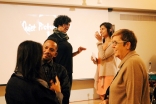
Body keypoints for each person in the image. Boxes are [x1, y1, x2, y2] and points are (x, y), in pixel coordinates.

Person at [106, 29, 150, 104]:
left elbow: (133, 100)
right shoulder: (128, 62)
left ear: (127, 45)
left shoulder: (132, 63)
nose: (112, 46)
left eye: (115, 43)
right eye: (112, 43)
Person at [47, 15, 86, 96]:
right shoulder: (53, 38)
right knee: (58, 96)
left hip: (67, 72)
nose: (68, 26)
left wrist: (77, 52)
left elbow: (66, 56)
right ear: (59, 24)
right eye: (66, 24)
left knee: (66, 95)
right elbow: (48, 54)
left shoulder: (64, 39)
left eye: (69, 24)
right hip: (57, 72)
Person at [91, 22, 118, 103]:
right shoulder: (103, 44)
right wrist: (95, 60)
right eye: (100, 29)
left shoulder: (113, 43)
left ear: (110, 30)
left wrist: (99, 41)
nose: (100, 31)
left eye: (102, 29)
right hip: (100, 73)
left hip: (109, 74)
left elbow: (103, 56)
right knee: (102, 98)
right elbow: (102, 59)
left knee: (108, 98)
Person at [41, 38, 70, 104]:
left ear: (55, 54)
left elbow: (66, 93)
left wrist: (57, 92)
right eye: (46, 47)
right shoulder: (32, 67)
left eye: (51, 50)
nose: (47, 51)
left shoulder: (61, 70)